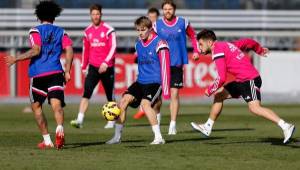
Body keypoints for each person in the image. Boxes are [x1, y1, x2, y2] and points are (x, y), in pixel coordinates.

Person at [190, 29, 295, 144]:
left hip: (249, 79)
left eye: (201, 44)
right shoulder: (227, 45)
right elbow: (248, 42)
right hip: (242, 80)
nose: (199, 48)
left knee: (255, 108)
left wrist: (209, 90)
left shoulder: (217, 50)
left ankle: (286, 126)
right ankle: (208, 126)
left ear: (209, 42)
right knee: (219, 95)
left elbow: (222, 78)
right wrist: (259, 50)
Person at [5, 1, 73, 149]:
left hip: (39, 73)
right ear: (54, 16)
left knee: (36, 107)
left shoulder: (35, 31)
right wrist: (67, 70)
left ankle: (47, 141)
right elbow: (69, 50)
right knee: (57, 105)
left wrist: (16, 58)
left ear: (38, 16)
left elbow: (36, 50)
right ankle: (59, 130)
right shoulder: (61, 32)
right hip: (55, 72)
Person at [106, 16, 170, 145]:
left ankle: (159, 137)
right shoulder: (138, 45)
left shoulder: (160, 43)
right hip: (140, 81)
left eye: (143, 29)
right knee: (123, 101)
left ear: (150, 29)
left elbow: (165, 66)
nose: (140, 33)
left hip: (154, 82)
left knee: (145, 105)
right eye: (138, 30)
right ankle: (117, 137)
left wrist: (166, 88)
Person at [153, 0, 201, 135]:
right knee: (157, 97)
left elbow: (193, 35)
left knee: (175, 94)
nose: (167, 11)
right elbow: (151, 42)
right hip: (160, 64)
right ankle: (157, 117)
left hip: (176, 64)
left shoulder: (183, 22)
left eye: (170, 9)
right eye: (165, 9)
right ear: (162, 10)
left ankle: (172, 124)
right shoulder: (157, 25)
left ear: (174, 10)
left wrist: (196, 51)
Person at [70, 4, 117, 129]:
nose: (95, 16)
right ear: (90, 15)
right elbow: (86, 50)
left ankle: (112, 121)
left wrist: (106, 63)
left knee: (110, 96)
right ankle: (80, 120)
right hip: (93, 67)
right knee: (86, 93)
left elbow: (113, 48)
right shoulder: (87, 31)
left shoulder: (108, 29)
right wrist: (84, 66)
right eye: (93, 14)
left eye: (97, 14)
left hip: (107, 67)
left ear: (101, 14)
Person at [133, 7, 162, 121]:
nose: (152, 19)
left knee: (157, 100)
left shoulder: (159, 32)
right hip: (146, 73)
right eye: (150, 17)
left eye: (153, 17)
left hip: (156, 74)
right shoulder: (142, 34)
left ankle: (154, 116)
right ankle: (146, 110)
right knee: (154, 100)